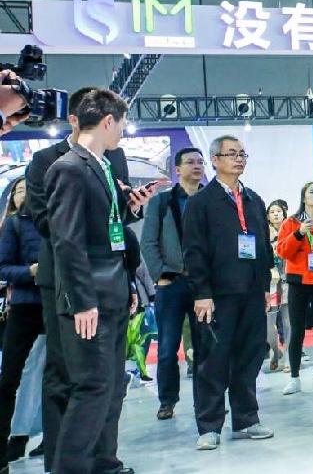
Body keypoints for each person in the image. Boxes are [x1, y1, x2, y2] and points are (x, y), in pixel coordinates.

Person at [25, 87, 149, 474]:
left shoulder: (104, 165)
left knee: (109, 385)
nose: (123, 132)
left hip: (112, 289)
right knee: (91, 386)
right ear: (108, 121)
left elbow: (108, 230)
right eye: (122, 124)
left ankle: (102, 463)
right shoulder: (69, 168)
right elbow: (66, 240)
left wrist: (127, 284)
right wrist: (82, 301)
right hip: (88, 297)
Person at [183, 135, 274, 450]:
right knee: (214, 360)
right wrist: (201, 292)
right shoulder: (201, 202)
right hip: (218, 295)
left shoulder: (253, 200)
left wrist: (265, 287)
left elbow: (263, 248)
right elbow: (194, 251)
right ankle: (209, 426)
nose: (239, 159)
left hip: (251, 291)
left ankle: (246, 419)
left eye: (242, 154)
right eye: (231, 154)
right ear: (215, 160)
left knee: (249, 357)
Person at [141, 146, 205, 421]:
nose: (197, 166)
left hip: (203, 284)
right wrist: (160, 275)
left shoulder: (210, 199)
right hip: (171, 284)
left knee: (205, 347)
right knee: (167, 349)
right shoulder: (162, 201)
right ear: (177, 169)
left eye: (200, 162)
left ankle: (207, 401)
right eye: (190, 162)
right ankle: (167, 400)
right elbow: (148, 241)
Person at [0, 177, 45, 469]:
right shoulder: (14, 225)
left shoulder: (55, 220)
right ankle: (8, 442)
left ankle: (51, 437)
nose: (24, 194)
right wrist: (30, 271)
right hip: (24, 306)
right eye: (18, 190)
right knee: (11, 377)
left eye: (28, 188)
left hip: (56, 306)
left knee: (54, 377)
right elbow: (3, 268)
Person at [277, 182, 313, 395]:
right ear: (303, 196)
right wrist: (299, 233)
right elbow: (283, 251)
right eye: (311, 191)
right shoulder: (292, 222)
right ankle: (294, 377)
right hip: (298, 280)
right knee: (296, 330)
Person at [265, 200, 288, 373]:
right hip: (271, 283)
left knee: (288, 322)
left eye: (278, 211)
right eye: (272, 211)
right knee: (268, 325)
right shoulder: (264, 233)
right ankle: (275, 351)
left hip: (288, 281)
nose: (275, 214)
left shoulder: (291, 230)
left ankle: (289, 357)